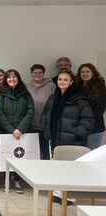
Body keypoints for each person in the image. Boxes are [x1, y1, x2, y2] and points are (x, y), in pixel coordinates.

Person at [40, 70, 94, 204]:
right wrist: (46, 130)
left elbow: (88, 120)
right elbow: (45, 115)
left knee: (70, 169)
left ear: (71, 82)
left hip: (72, 141)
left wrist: (77, 134)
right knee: (57, 167)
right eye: (60, 79)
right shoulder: (53, 97)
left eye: (65, 79)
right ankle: (57, 193)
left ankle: (69, 196)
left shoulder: (79, 99)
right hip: (55, 138)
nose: (62, 82)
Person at [0, 69, 34, 194]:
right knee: (4, 155)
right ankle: (6, 179)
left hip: (22, 131)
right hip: (6, 131)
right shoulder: (1, 94)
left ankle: (17, 180)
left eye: (14, 77)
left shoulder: (25, 93)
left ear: (18, 78)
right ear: (6, 80)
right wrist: (12, 130)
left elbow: (30, 111)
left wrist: (20, 128)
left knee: (19, 155)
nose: (12, 80)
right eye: (9, 78)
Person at [26, 64, 55, 159]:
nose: (37, 74)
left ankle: (46, 171)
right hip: (31, 125)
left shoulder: (51, 85)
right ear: (31, 74)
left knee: (46, 150)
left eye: (40, 73)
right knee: (32, 151)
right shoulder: (27, 86)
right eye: (35, 72)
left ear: (43, 73)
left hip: (45, 125)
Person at [75, 63, 106, 150]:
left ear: (93, 73)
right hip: (80, 127)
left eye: (87, 71)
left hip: (94, 128)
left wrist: (86, 120)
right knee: (80, 154)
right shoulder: (77, 86)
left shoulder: (100, 87)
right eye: (82, 72)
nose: (85, 74)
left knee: (90, 154)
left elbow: (100, 109)